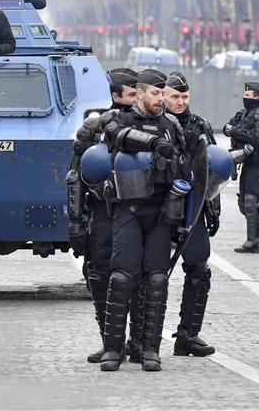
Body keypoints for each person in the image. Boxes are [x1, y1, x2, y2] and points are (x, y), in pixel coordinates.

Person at [97, 69, 188, 372]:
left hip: (161, 211)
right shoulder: (117, 118)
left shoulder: (171, 125)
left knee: (157, 279)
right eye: (156, 93)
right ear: (140, 93)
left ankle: (150, 349)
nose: (161, 99)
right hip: (128, 209)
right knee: (122, 277)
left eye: (164, 94)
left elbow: (184, 167)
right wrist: (149, 143)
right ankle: (113, 349)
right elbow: (115, 137)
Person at [67, 68, 138, 363]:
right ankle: (111, 342)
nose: (136, 99)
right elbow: (75, 177)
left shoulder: (148, 126)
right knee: (98, 277)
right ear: (115, 95)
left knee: (137, 278)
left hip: (134, 210)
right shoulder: (92, 129)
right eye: (131, 93)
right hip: (100, 211)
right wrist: (74, 221)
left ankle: (140, 342)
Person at [158, 71, 218, 358]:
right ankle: (144, 337)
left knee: (199, 269)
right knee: (153, 273)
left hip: (193, 209)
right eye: (174, 97)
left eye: (184, 97)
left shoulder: (201, 125)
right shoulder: (154, 124)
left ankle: (188, 335)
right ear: (163, 96)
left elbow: (213, 170)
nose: (180, 102)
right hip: (159, 209)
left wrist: (213, 207)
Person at [224, 82, 259, 253]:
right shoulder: (245, 113)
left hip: (258, 160)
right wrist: (232, 130)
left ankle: (253, 240)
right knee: (243, 202)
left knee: (250, 199)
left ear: (257, 97)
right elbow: (228, 127)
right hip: (246, 159)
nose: (245, 98)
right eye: (245, 95)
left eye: (249, 96)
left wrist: (234, 131)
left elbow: (255, 138)